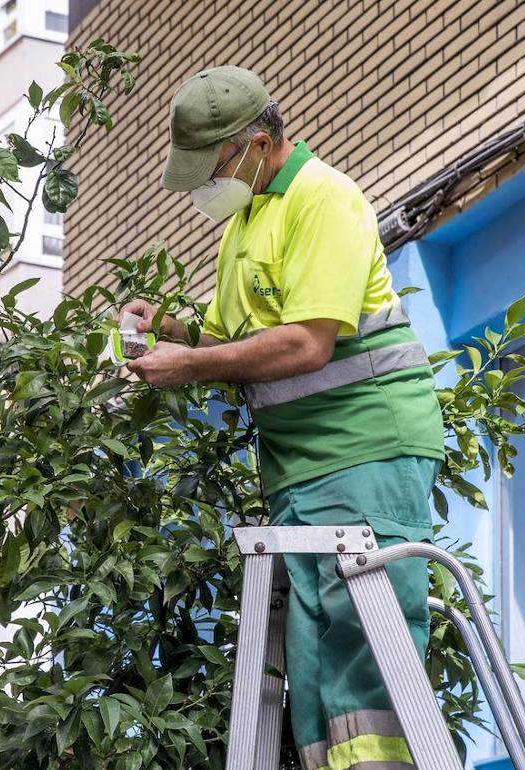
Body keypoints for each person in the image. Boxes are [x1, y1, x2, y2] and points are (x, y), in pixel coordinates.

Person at [120, 66, 444, 770]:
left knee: (363, 651)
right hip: (300, 467)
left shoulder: (324, 199)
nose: (207, 185)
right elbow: (238, 341)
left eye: (213, 168)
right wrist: (172, 331)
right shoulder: (248, 219)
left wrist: (189, 369)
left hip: (365, 448)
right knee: (317, 654)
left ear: (260, 144)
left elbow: (307, 343)